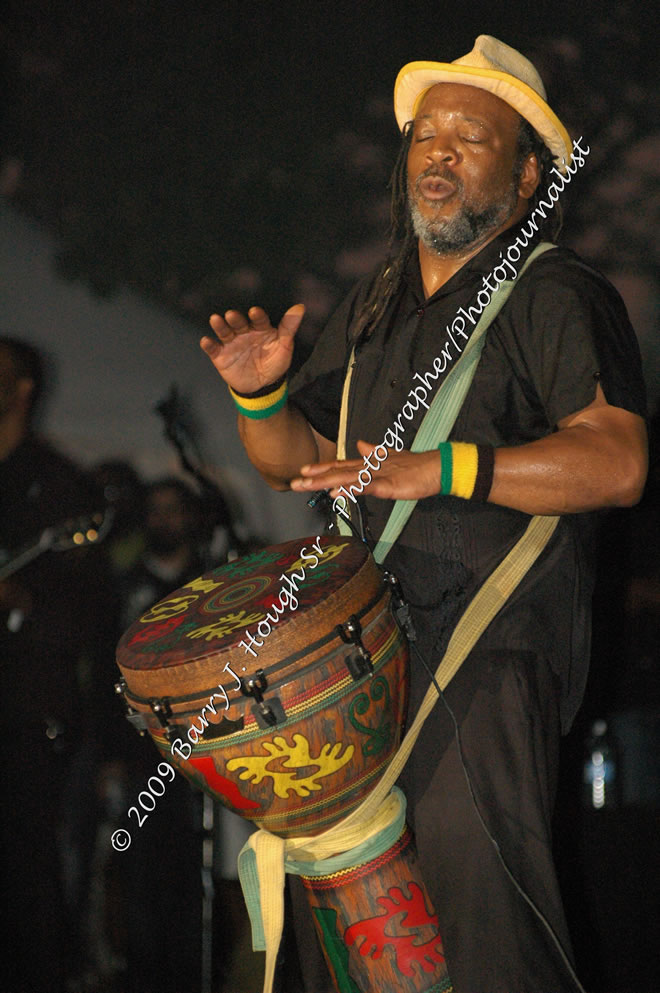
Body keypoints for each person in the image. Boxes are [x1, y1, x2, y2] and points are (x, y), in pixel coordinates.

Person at [199, 36, 648, 993]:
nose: (437, 152)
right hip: (364, 662)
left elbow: (618, 461)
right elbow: (301, 466)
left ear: (528, 177)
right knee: (354, 946)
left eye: (469, 137)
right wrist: (261, 402)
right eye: (424, 135)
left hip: (488, 660)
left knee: (484, 933)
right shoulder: (376, 302)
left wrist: (443, 467)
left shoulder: (557, 292)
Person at [0, 336, 113, 992]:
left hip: (25, 718)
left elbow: (90, 615)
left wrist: (21, 601)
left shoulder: (60, 486)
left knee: (27, 882)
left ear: (23, 391)